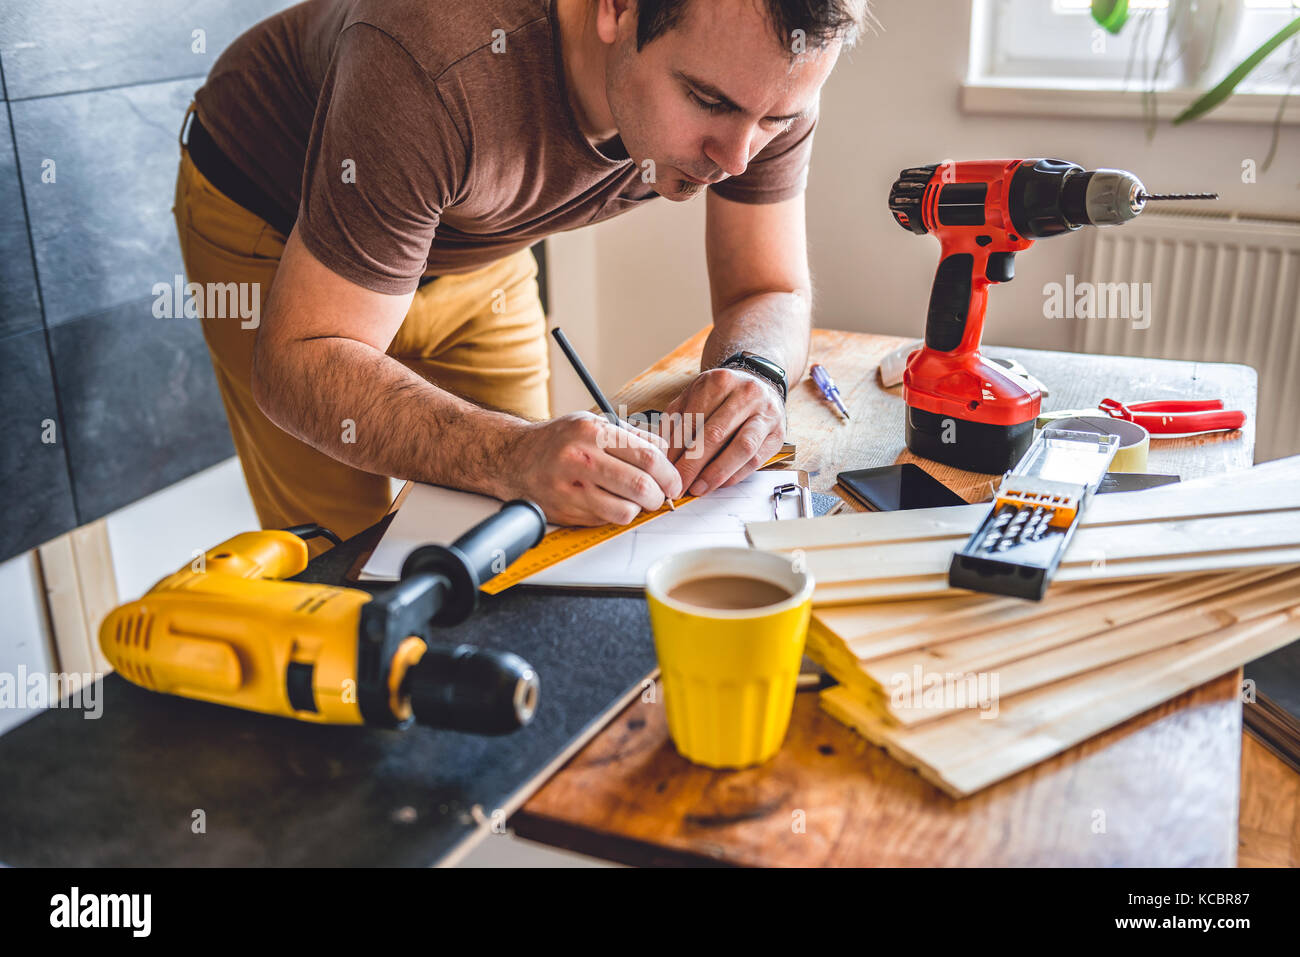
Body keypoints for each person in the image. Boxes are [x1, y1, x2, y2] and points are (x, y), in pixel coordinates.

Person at [173, 0, 870, 546]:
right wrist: (507, 453)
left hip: (475, 233)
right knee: (352, 569)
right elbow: (300, 359)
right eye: (707, 102)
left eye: (777, 120)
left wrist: (757, 373)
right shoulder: (433, 59)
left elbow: (768, 289)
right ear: (616, 7)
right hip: (274, 217)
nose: (738, 158)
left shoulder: (762, 75)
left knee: (524, 532)